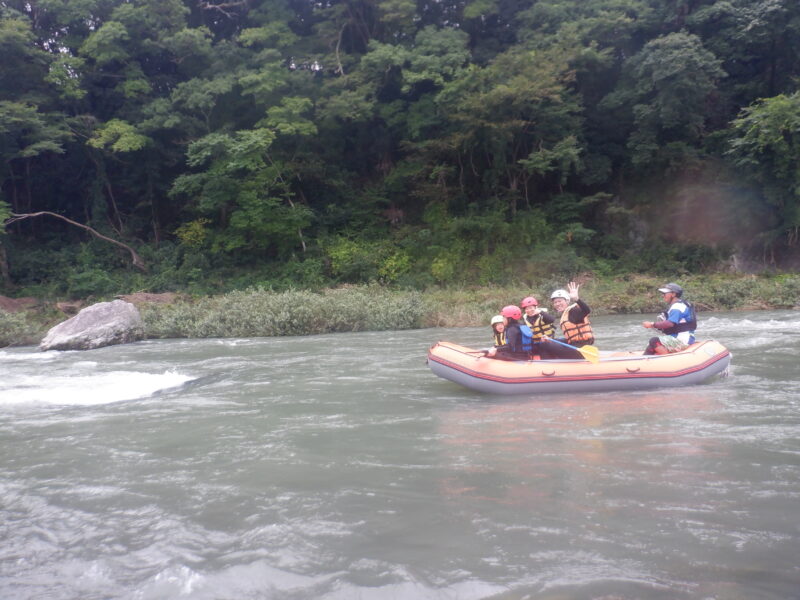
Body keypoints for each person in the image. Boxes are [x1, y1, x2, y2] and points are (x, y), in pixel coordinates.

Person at [540, 281, 594, 359]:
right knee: (551, 341)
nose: (557, 304)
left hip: (581, 350)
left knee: (543, 344)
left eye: (560, 301)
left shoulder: (574, 311)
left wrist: (577, 299)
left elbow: (586, 310)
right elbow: (570, 339)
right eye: (555, 302)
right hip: (575, 346)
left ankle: (547, 366)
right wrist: (549, 339)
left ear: (567, 301)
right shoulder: (566, 313)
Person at [642, 282, 696, 355]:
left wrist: (652, 324)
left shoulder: (677, 307)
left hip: (682, 340)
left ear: (673, 294)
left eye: (665, 293)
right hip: (684, 338)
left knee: (654, 341)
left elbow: (669, 323)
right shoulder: (679, 305)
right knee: (651, 346)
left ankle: (669, 359)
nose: (663, 295)